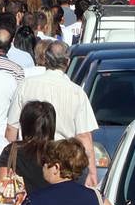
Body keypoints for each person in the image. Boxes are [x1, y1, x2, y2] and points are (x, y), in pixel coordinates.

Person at [6, 41, 99, 187]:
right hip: (62, 161)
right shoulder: (76, 92)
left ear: (45, 59)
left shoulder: (26, 85)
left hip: (29, 157)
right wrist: (92, 173)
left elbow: (12, 128)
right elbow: (83, 136)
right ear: (67, 62)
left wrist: (10, 158)